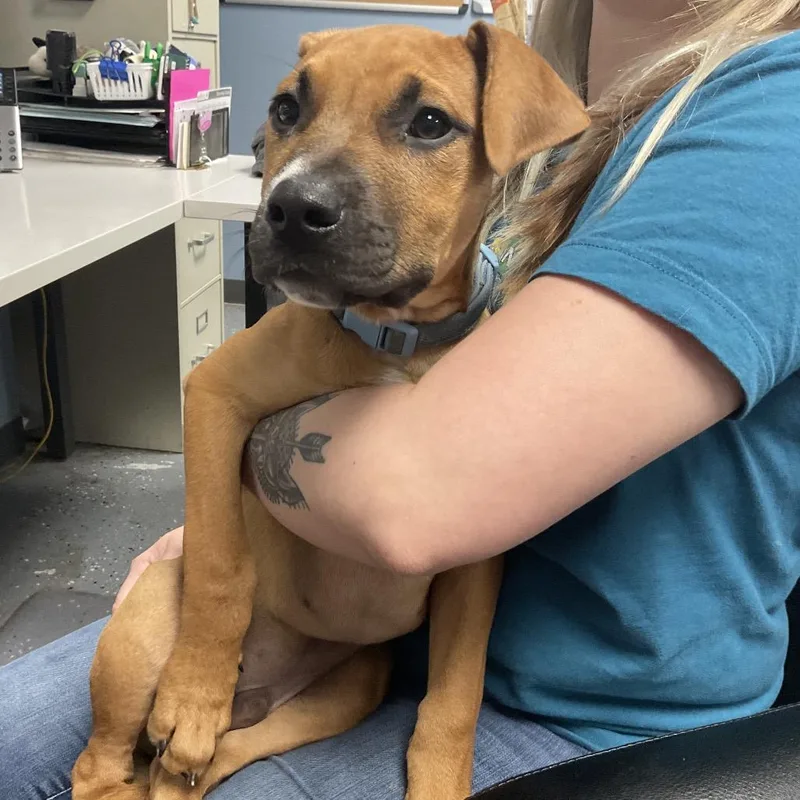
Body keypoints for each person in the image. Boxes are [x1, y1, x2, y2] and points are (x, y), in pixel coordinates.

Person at [3, 1, 800, 797]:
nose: (297, 191)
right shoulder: (549, 91)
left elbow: (422, 505)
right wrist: (221, 529)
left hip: (576, 705)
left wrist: (250, 477)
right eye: (289, 113)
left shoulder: (770, 114)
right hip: (356, 624)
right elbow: (226, 393)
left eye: (424, 125)